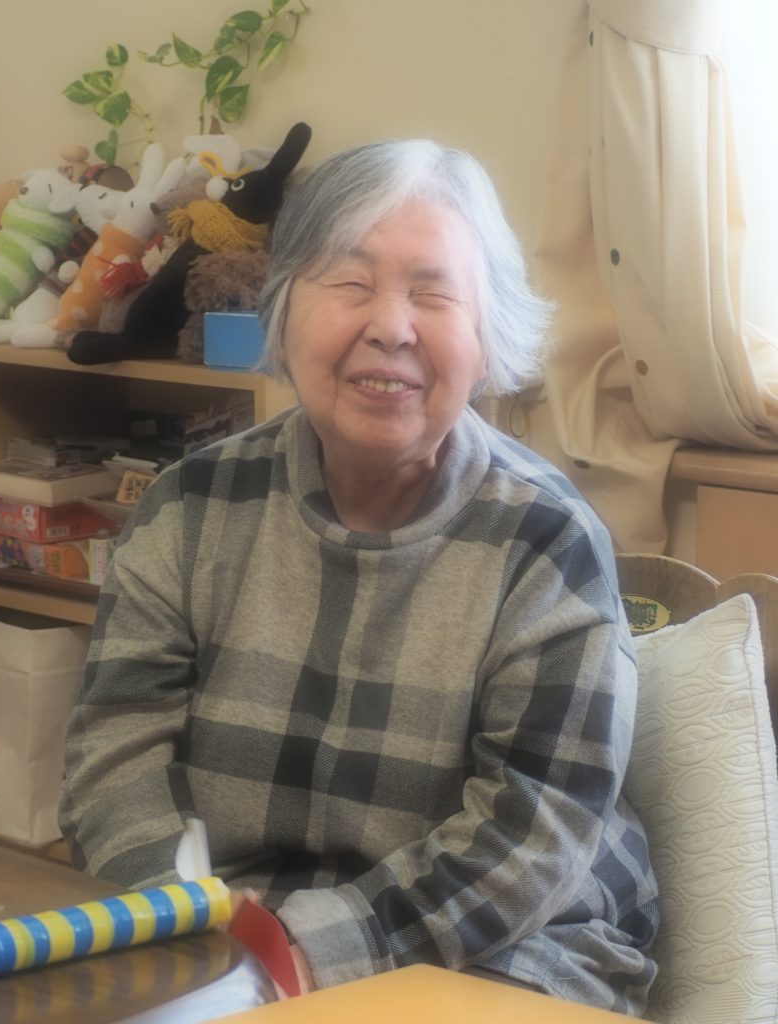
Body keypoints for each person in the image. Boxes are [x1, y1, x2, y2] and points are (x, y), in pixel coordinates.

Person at [60, 139, 658, 1013]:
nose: (391, 326)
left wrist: (294, 956)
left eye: (433, 292)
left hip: (506, 941)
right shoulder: (188, 508)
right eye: (349, 281)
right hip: (227, 929)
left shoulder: (547, 540)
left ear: (488, 335)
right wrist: (177, 924)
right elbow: (114, 759)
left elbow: (534, 832)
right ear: (282, 311)